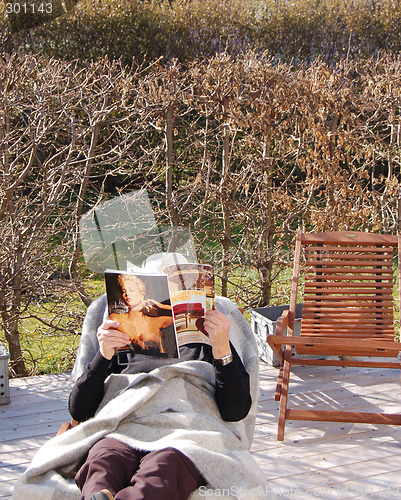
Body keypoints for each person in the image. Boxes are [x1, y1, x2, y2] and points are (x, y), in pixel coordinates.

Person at [69, 306, 252, 500]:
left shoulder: (209, 338)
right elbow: (79, 410)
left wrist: (222, 348)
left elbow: (235, 411)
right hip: (125, 426)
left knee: (164, 466)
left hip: (185, 428)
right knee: (104, 460)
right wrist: (104, 354)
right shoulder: (123, 338)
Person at [109, 273, 174, 355]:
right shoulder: (115, 319)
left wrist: (162, 306)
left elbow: (188, 315)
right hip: (129, 365)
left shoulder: (158, 321)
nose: (127, 294)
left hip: (157, 363)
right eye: (123, 291)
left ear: (142, 295)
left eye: (131, 290)